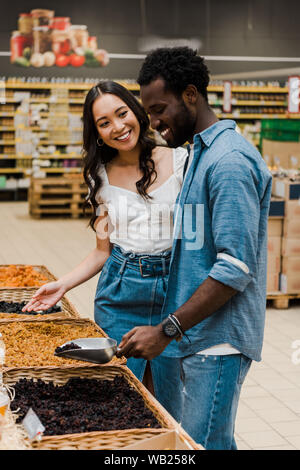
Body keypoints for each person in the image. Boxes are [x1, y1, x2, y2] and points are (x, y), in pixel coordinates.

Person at [116, 47, 273, 450]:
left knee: (201, 445)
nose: (153, 122)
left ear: (190, 94)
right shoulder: (199, 155)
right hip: (197, 334)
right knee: (207, 441)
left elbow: (234, 268)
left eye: (159, 109)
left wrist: (167, 330)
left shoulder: (229, 162)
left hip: (218, 341)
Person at [22, 80, 188, 422]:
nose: (118, 127)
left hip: (176, 291)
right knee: (121, 398)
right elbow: (102, 251)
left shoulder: (182, 161)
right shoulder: (100, 176)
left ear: (137, 111)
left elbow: (197, 238)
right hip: (121, 293)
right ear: (97, 133)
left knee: (170, 402)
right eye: (104, 122)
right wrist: (63, 284)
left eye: (122, 113)